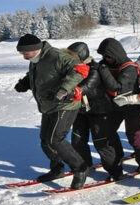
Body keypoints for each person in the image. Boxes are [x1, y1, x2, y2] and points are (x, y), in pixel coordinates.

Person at [14, 34, 88, 189]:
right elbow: (38, 75)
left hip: (65, 105)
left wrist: (64, 89)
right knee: (45, 140)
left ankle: (80, 168)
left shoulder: (56, 56)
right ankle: (57, 169)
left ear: (35, 49)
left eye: (24, 53)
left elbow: (80, 69)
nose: (23, 56)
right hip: (48, 105)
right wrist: (25, 83)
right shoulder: (35, 60)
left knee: (56, 139)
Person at [63, 42, 123, 180]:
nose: (69, 59)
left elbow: (88, 85)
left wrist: (72, 91)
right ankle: (84, 165)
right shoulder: (72, 68)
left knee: (101, 142)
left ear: (81, 55)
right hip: (81, 110)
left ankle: (115, 171)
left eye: (72, 56)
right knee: (77, 140)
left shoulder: (94, 68)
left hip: (99, 110)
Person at [96, 38, 140, 175]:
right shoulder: (105, 64)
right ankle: (117, 158)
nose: (105, 59)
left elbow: (117, 90)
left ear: (115, 54)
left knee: (134, 136)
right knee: (109, 132)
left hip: (132, 105)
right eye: (103, 56)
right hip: (116, 106)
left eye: (108, 56)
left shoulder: (129, 68)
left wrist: (103, 71)